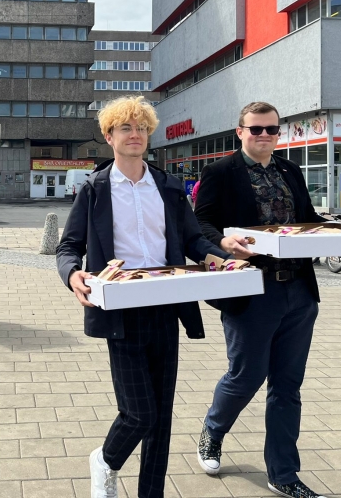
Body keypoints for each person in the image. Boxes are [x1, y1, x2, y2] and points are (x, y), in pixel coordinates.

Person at [56, 96, 228, 498]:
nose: (135, 134)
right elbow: (68, 246)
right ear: (109, 136)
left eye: (141, 128)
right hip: (120, 310)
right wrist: (73, 274)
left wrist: (220, 258)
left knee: (161, 420)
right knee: (140, 413)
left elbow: (192, 239)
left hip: (166, 307)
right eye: (125, 128)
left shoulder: (168, 187)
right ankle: (105, 460)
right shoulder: (95, 189)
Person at [194, 101, 328, 498]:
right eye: (256, 129)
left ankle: (283, 474)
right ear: (240, 132)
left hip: (299, 290)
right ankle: (213, 430)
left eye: (271, 129)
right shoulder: (220, 172)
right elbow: (199, 223)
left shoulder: (290, 170)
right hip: (251, 289)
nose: (265, 135)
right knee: (246, 376)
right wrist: (222, 242)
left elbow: (307, 219)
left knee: (287, 384)